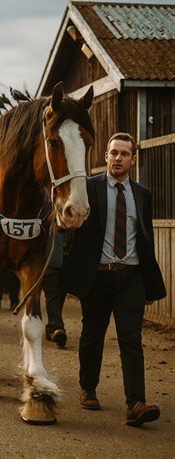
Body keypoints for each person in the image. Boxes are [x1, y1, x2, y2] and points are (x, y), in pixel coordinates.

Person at [59, 132, 166, 427]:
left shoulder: (142, 194)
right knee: (92, 335)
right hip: (98, 276)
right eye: (113, 153)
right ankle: (88, 389)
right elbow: (74, 228)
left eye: (124, 154)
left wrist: (147, 280)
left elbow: (146, 238)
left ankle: (136, 403)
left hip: (131, 276)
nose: (118, 158)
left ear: (133, 159)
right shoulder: (89, 188)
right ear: (105, 156)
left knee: (131, 339)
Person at [43, 231, 68, 347]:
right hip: (50, 259)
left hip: (68, 258)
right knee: (52, 293)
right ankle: (56, 327)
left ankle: (51, 328)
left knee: (61, 293)